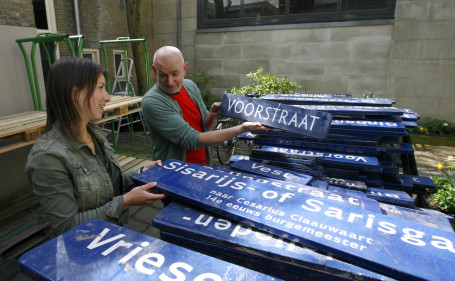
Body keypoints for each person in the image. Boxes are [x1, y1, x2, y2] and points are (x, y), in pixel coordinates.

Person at [25, 57, 165, 236]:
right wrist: (126, 202)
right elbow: (67, 227)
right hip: (83, 253)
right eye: (100, 88)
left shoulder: (95, 134)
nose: (107, 97)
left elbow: (107, 184)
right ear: (75, 94)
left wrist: (141, 173)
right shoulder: (47, 158)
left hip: (110, 237)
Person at [142, 46, 268, 165]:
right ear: (154, 70)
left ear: (185, 69)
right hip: (174, 172)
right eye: (163, 75)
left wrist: (212, 116)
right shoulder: (152, 101)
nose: (170, 82)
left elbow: (205, 129)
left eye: (175, 74)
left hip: (202, 166)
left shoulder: (189, 86)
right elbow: (191, 140)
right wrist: (241, 128)